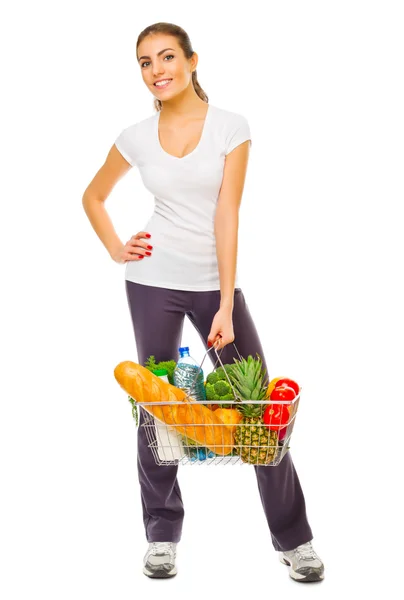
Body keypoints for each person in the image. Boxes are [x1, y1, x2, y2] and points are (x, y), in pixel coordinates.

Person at [82, 21, 324, 584]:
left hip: (216, 286)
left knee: (260, 412)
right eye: (145, 62)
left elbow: (226, 214)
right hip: (152, 283)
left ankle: (295, 540)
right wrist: (119, 247)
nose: (157, 70)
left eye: (167, 57)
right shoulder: (135, 136)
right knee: (157, 407)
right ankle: (161, 534)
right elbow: (92, 195)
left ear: (193, 61)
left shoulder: (231, 128)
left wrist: (223, 303)